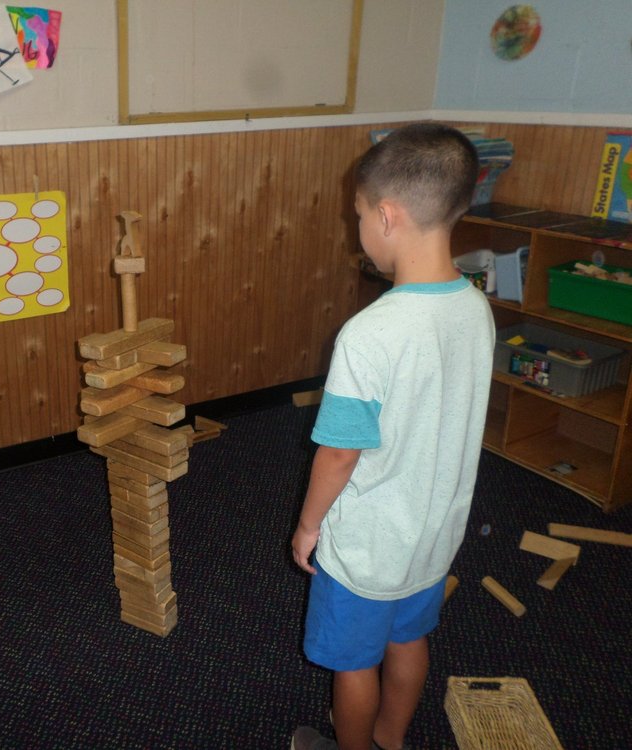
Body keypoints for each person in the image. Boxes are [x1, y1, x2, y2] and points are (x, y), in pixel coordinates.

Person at [290, 123, 495, 750]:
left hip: (371, 544)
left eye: (357, 215)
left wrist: (308, 525)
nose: (358, 230)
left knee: (355, 662)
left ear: (386, 215)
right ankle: (391, 738)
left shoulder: (369, 334)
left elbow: (342, 451)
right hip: (436, 529)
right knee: (409, 638)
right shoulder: (475, 305)